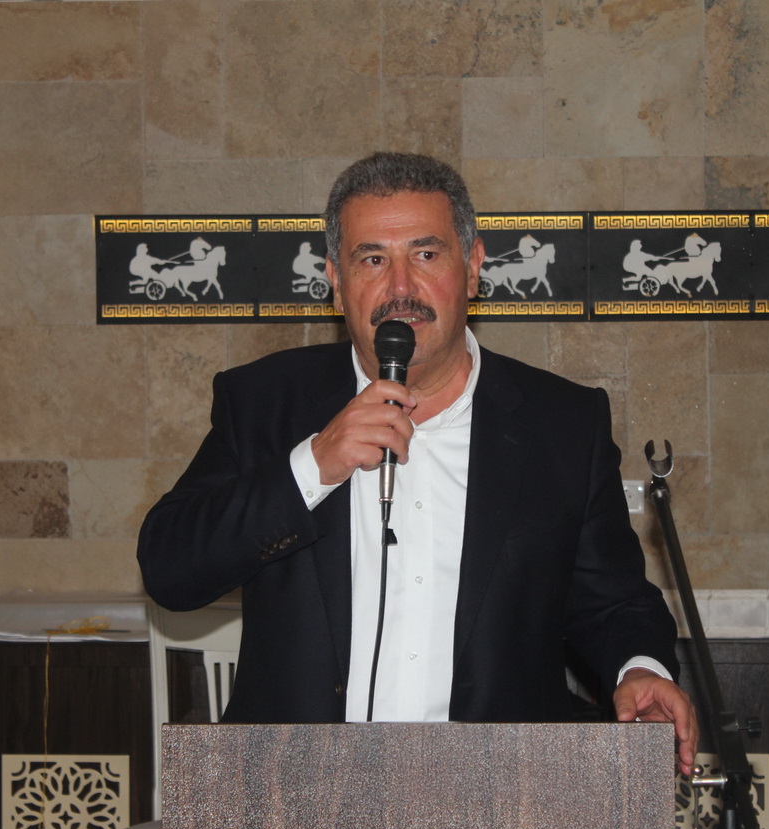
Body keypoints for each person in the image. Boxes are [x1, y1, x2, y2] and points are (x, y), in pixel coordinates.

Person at [139, 152, 698, 775]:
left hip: (497, 795)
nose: (400, 287)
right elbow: (170, 569)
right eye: (372, 260)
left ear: (473, 266)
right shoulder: (264, 403)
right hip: (298, 795)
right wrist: (312, 466)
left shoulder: (562, 424)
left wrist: (639, 669)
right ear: (335, 281)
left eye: (426, 254)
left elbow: (614, 603)